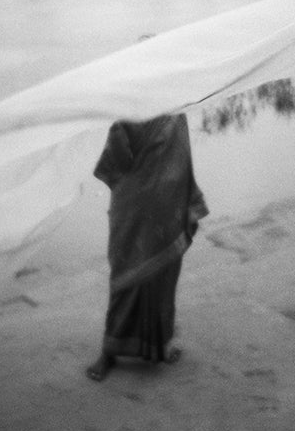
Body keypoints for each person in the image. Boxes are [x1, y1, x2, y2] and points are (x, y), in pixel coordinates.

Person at [86, 112, 208, 381]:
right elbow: (119, 160)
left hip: (165, 205)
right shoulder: (130, 110)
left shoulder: (176, 114)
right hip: (133, 209)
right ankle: (109, 351)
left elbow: (180, 160)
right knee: (125, 279)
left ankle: (159, 345)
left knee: (162, 280)